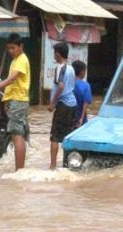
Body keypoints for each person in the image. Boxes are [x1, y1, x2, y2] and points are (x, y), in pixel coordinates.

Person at [0, 33, 30, 171]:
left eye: (13, 48)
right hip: (17, 101)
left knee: (16, 135)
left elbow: (11, 79)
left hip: (18, 101)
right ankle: (20, 169)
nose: (10, 51)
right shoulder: (16, 60)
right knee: (19, 135)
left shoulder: (21, 59)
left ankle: (19, 170)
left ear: (21, 46)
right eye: (9, 48)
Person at [48, 42, 77, 170]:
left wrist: (52, 103)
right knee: (68, 135)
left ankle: (53, 166)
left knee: (55, 135)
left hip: (63, 105)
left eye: (54, 53)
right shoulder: (71, 68)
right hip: (72, 105)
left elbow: (60, 86)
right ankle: (67, 164)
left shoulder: (60, 67)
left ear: (58, 54)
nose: (54, 55)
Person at [72, 60, 92, 128]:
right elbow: (85, 103)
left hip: (68, 117)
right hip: (81, 119)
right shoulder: (86, 85)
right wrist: (81, 118)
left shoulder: (68, 84)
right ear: (82, 72)